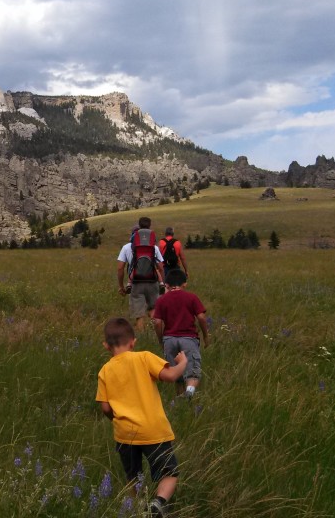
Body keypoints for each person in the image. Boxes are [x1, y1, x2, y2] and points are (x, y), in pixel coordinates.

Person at [96, 317, 187, 518]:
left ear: (106, 346)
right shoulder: (144, 357)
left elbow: (104, 407)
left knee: (134, 477)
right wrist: (182, 363)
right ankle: (158, 503)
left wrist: (115, 419)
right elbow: (171, 376)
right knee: (169, 473)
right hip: (153, 430)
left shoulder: (105, 371)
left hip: (124, 434)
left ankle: (139, 510)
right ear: (133, 342)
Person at [151, 268, 209, 398]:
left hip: (169, 340)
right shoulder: (191, 297)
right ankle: (189, 393)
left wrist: (162, 340)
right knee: (192, 372)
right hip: (189, 339)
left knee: (176, 374)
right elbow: (201, 317)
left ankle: (180, 402)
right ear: (185, 284)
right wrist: (205, 336)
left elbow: (157, 322)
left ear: (166, 285)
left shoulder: (161, 300)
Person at [117, 217, 166, 332]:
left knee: (139, 315)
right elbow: (161, 267)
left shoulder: (126, 247)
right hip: (152, 280)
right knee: (154, 310)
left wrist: (121, 286)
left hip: (136, 282)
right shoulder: (154, 247)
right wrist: (161, 282)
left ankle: (143, 339)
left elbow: (120, 268)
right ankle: (158, 335)